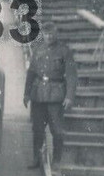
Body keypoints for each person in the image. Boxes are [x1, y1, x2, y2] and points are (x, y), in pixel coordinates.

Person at [23, 21, 76, 168]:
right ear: (43, 34)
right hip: (38, 95)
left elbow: (71, 75)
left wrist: (69, 97)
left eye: (51, 33)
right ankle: (36, 159)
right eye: (46, 34)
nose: (49, 36)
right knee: (37, 129)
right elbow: (31, 73)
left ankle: (57, 160)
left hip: (56, 96)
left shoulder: (64, 51)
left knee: (57, 130)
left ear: (56, 33)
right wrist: (26, 94)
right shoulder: (38, 50)